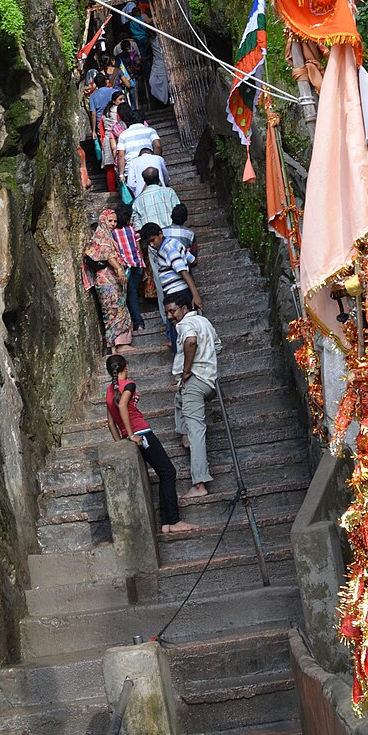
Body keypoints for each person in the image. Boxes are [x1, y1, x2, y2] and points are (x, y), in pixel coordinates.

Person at [105, 355, 197, 535]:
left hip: (129, 436)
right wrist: (132, 434)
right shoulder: (129, 384)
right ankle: (174, 521)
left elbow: (110, 423)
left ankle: (166, 523)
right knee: (168, 472)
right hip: (142, 433)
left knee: (164, 473)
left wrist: (122, 443)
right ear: (127, 367)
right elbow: (123, 405)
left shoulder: (109, 391)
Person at [165, 292, 222, 501]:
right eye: (168, 312)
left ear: (184, 308)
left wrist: (187, 370)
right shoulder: (204, 321)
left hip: (194, 381)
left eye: (172, 311)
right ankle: (184, 433)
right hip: (208, 381)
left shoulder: (184, 325)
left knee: (197, 431)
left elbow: (190, 341)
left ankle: (199, 484)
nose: (170, 316)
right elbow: (217, 346)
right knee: (178, 400)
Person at [131, 169, 182, 340]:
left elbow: (137, 228)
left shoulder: (138, 202)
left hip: (154, 247)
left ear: (144, 182)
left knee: (162, 287)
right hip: (174, 240)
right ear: (158, 178)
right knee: (182, 276)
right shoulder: (169, 192)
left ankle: (170, 327)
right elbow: (179, 212)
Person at [137, 223, 202, 349]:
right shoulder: (174, 244)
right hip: (177, 292)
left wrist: (195, 295)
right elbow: (193, 260)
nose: (152, 245)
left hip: (177, 293)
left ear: (160, 234)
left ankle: (183, 357)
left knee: (180, 327)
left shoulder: (168, 248)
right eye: (148, 242)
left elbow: (183, 271)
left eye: (153, 240)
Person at [82, 208, 134, 353]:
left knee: (112, 309)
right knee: (115, 308)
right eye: (110, 220)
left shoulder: (104, 235)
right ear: (103, 220)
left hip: (106, 279)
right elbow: (107, 254)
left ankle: (114, 345)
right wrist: (118, 268)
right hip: (107, 278)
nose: (112, 224)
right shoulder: (102, 235)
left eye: (115, 221)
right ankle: (120, 344)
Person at [112, 205, 145, 331]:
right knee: (133, 292)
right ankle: (136, 321)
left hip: (125, 266)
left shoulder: (113, 233)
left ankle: (138, 322)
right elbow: (138, 247)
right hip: (137, 264)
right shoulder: (132, 229)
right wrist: (142, 262)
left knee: (131, 294)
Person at [115, 106, 163, 192]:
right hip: (150, 165)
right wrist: (156, 158)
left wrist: (121, 174)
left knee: (137, 192)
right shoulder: (150, 130)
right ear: (143, 120)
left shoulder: (123, 135)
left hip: (131, 168)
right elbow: (158, 145)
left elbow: (121, 155)